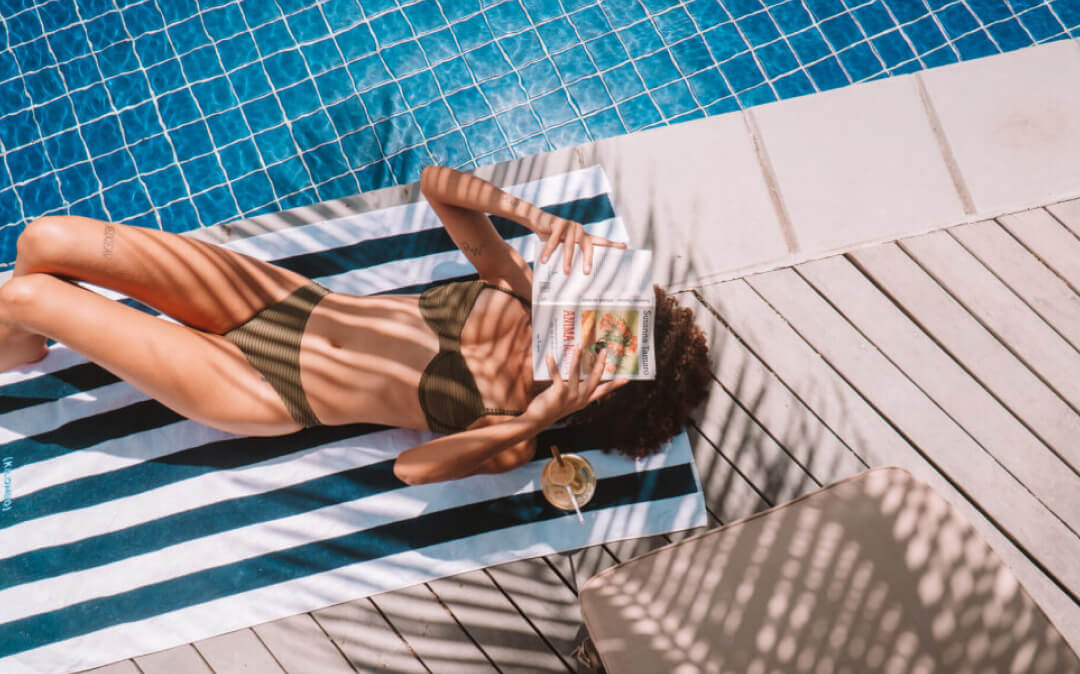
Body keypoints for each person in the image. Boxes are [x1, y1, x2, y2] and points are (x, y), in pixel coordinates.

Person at [0, 166, 711, 484]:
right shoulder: (520, 293)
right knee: (43, 242)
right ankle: (23, 352)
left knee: (28, 297)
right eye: (598, 321)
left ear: (603, 390)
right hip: (280, 303)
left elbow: (412, 468)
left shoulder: (511, 434)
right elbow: (438, 184)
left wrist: (537, 418)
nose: (579, 326)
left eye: (597, 350)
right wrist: (529, 215)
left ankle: (13, 341)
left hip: (264, 386)